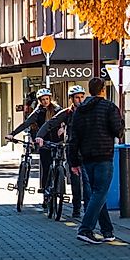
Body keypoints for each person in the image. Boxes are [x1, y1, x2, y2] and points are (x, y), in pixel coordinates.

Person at [67, 77, 125, 245]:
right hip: (104, 154)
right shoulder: (109, 107)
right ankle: (85, 229)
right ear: (103, 90)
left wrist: (73, 162)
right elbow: (118, 131)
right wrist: (120, 123)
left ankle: (107, 230)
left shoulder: (80, 110)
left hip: (86, 156)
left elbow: (73, 138)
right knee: (100, 192)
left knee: (97, 194)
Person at [35, 86, 86, 219]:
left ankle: (87, 208)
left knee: (86, 181)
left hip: (86, 149)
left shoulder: (88, 111)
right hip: (72, 149)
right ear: (71, 99)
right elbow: (50, 123)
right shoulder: (67, 113)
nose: (79, 100)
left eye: (81, 97)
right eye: (77, 97)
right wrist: (40, 136)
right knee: (75, 180)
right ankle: (76, 209)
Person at [12, 87, 58, 191]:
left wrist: (63, 128)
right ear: (39, 101)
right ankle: (45, 190)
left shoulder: (57, 110)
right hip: (43, 141)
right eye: (42, 99)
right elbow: (26, 124)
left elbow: (64, 119)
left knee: (58, 164)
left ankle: (58, 186)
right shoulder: (38, 112)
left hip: (56, 141)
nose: (45, 101)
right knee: (46, 166)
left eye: (47, 99)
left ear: (50, 99)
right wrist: (13, 134)